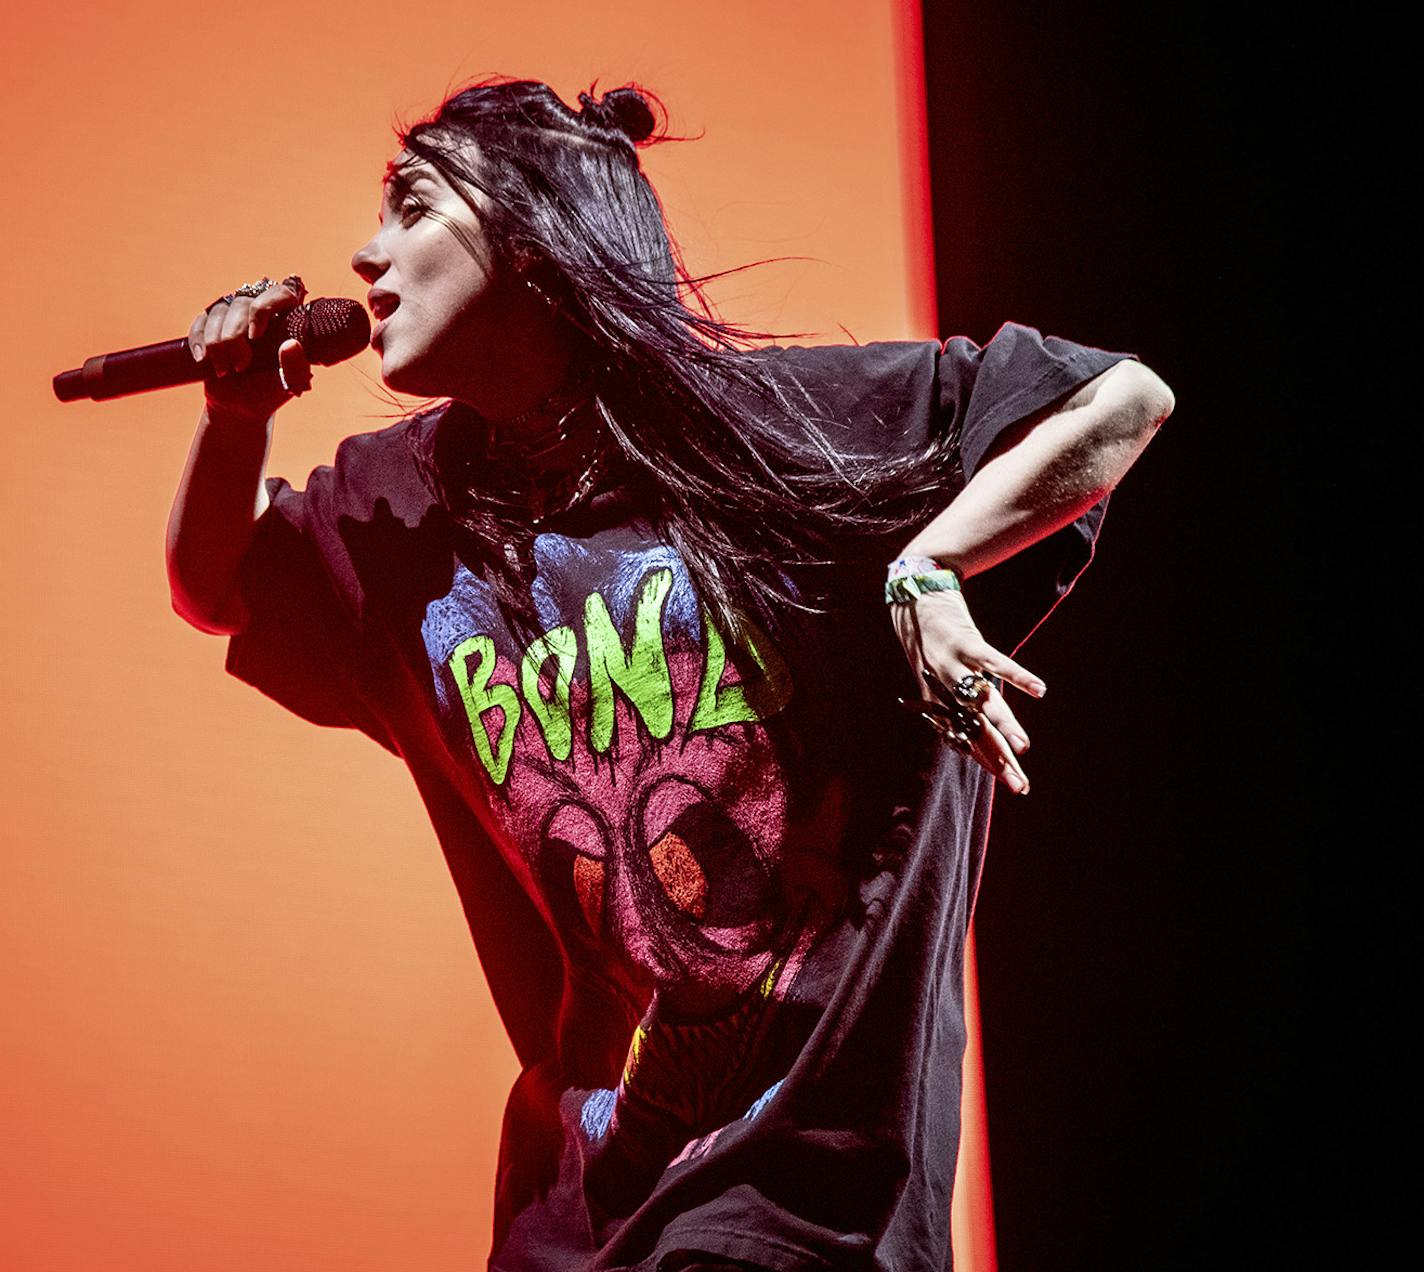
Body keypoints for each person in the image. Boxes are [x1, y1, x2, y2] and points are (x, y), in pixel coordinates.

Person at [166, 78, 1173, 1272]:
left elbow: (1121, 396)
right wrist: (235, 421)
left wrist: (931, 566)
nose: (363, 249)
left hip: (800, 1204)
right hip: (572, 1214)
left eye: (410, 206)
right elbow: (218, 588)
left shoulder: (780, 429)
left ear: (536, 234)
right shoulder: (399, 505)